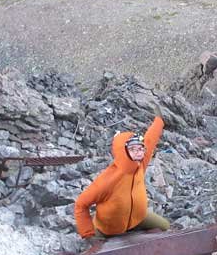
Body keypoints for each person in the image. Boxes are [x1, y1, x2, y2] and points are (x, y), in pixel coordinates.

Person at [72, 104, 169, 244]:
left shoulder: (140, 164)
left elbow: (150, 139)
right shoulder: (108, 180)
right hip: (109, 229)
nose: (139, 152)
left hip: (138, 219)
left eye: (140, 148)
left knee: (165, 226)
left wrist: (159, 120)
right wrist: (88, 234)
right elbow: (81, 205)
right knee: (97, 250)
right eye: (133, 149)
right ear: (123, 151)